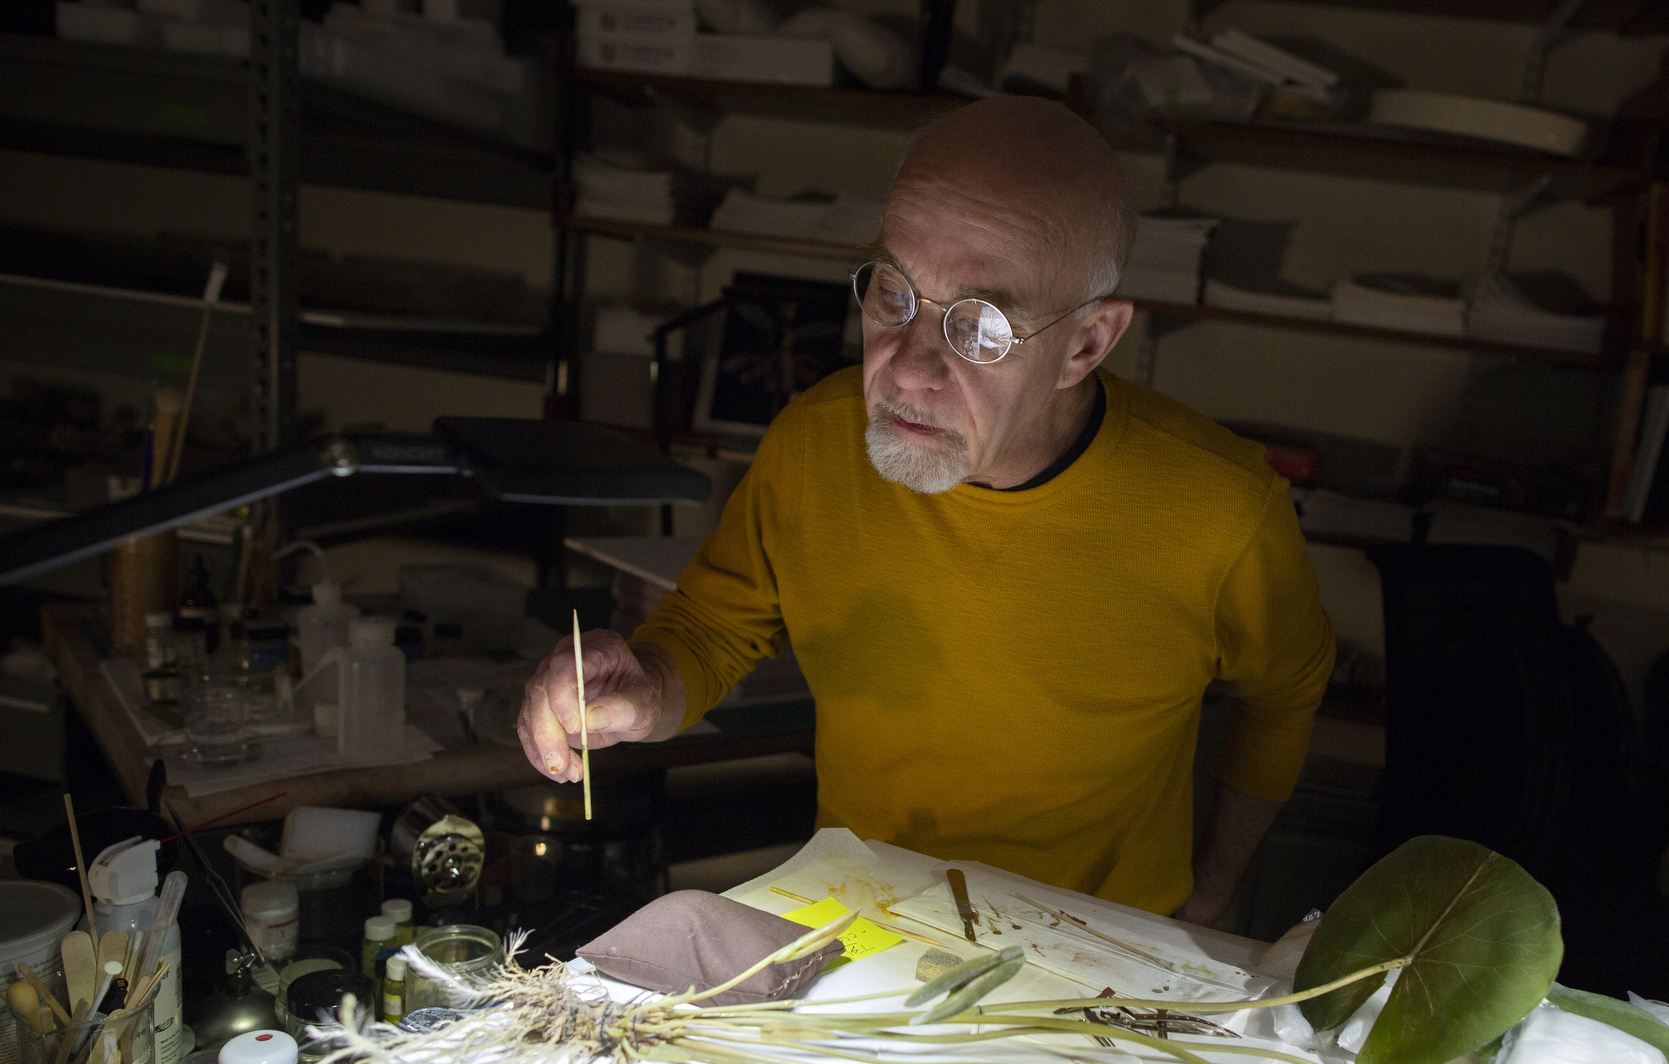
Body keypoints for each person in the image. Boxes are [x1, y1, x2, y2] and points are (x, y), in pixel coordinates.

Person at [520, 97, 1333, 925]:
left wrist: (1217, 887)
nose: (910, 369)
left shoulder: (1221, 511)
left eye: (980, 326)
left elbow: (1288, 689)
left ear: (1086, 345)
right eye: (893, 292)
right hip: (859, 933)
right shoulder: (814, 443)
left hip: (1094, 965)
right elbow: (713, 628)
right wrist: (644, 690)